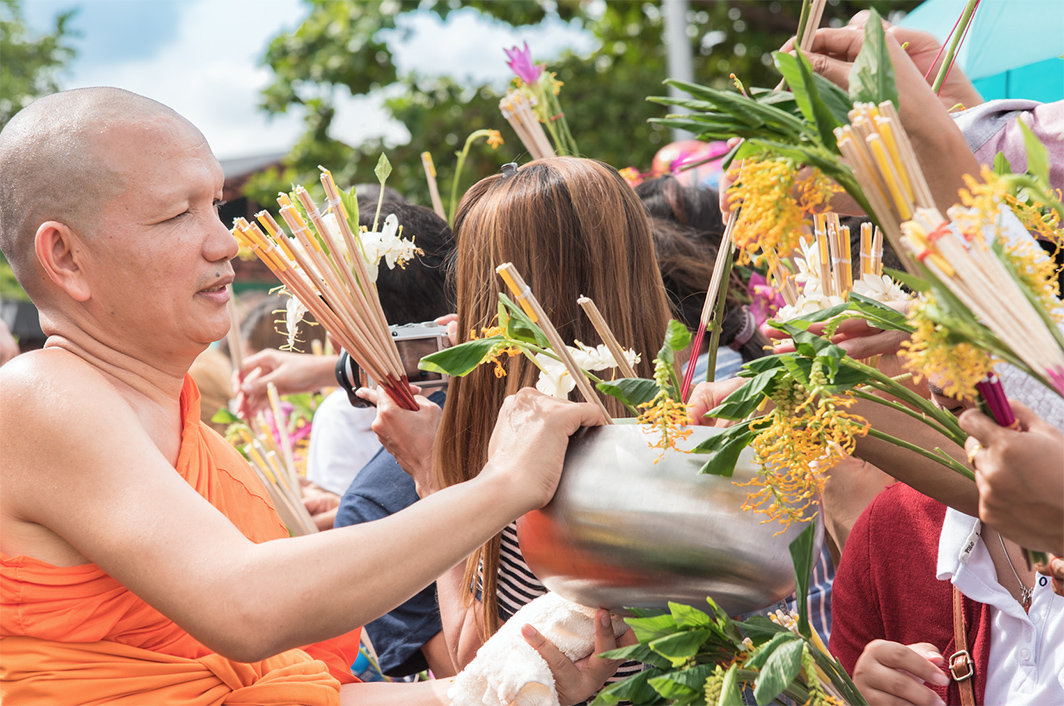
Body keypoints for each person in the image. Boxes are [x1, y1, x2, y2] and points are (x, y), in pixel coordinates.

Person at [0, 87, 622, 705]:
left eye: (216, 206)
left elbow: (283, 692)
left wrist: (490, 688)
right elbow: (247, 607)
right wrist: (504, 483)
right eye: (175, 215)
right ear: (65, 257)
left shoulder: (187, 432)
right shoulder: (39, 397)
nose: (225, 244)